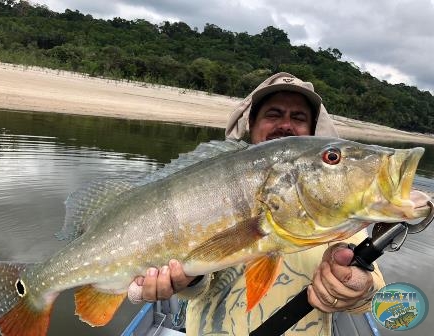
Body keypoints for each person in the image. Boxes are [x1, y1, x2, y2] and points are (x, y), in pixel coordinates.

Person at [127, 72, 386, 335]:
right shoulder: (208, 187)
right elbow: (195, 285)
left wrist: (359, 288)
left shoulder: (337, 209)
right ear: (251, 123)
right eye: (273, 114)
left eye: (298, 118)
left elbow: (372, 290)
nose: (285, 125)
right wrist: (184, 281)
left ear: (311, 133)